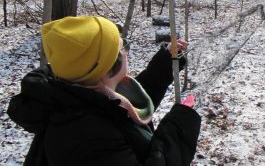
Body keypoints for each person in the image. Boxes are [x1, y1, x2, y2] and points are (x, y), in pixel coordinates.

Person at [7, 16, 201, 166]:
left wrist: (165, 63)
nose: (125, 52)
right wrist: (178, 127)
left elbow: (124, 108)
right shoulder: (83, 135)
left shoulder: (85, 96)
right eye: (121, 48)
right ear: (107, 67)